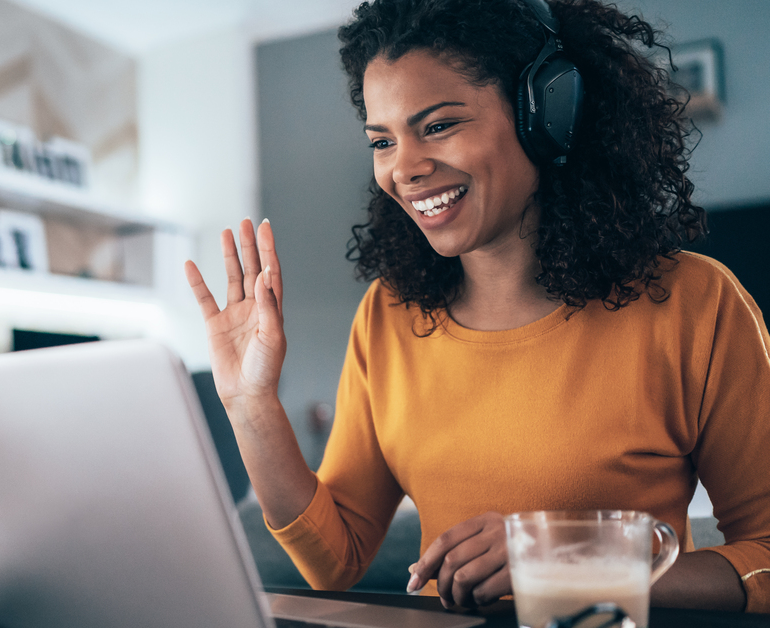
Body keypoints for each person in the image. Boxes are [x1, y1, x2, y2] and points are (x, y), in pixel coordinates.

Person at [184, 0, 770, 614]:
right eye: (383, 141)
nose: (404, 169)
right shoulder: (388, 315)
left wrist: (577, 570)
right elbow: (335, 560)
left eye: (438, 126)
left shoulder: (694, 304)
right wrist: (251, 406)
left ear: (546, 115)